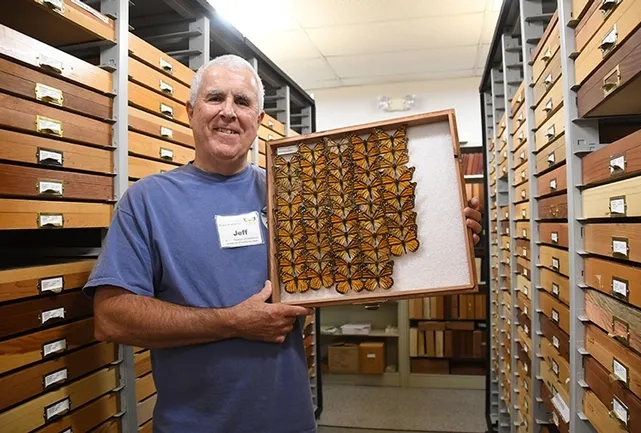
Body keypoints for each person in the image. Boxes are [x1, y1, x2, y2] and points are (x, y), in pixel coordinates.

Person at [85, 54, 483, 433]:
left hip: (288, 417)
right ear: (191, 111)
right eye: (214, 98)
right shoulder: (148, 200)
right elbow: (111, 317)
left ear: (257, 120)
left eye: (242, 101)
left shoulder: (294, 194)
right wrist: (231, 322)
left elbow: (359, 266)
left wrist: (446, 235)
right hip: (194, 423)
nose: (228, 111)